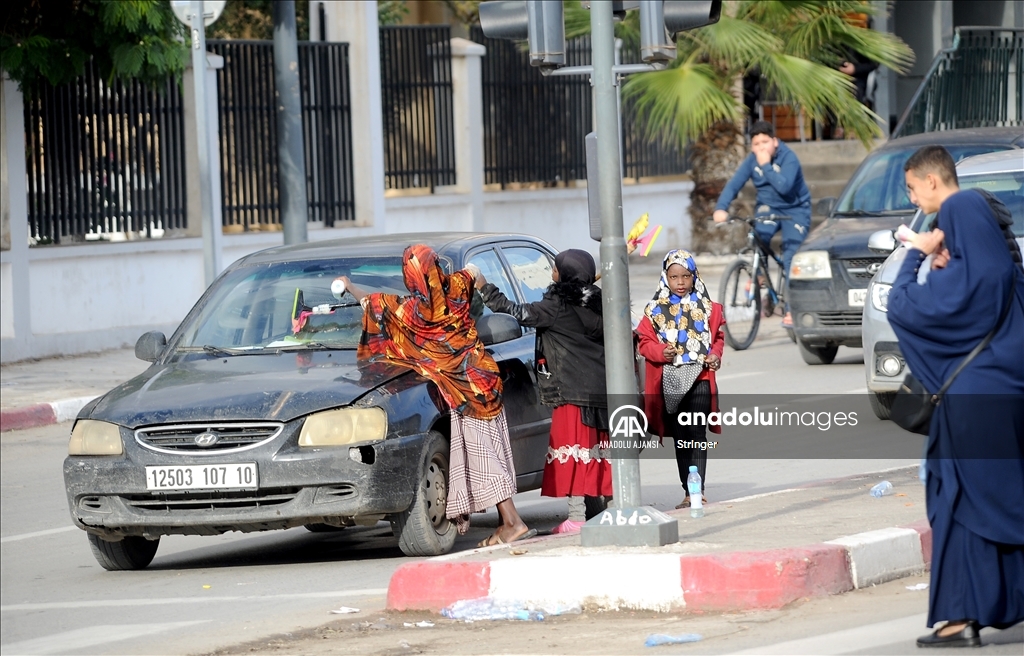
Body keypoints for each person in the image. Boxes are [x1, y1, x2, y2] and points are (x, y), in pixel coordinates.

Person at [887, 146, 1024, 647]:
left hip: (970, 405)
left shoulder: (959, 211)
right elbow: (981, 281)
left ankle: (959, 617)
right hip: (1003, 398)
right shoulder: (1007, 282)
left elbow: (903, 308)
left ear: (929, 181)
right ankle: (963, 616)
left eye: (911, 187)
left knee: (961, 505)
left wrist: (915, 255)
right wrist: (946, 262)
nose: (913, 198)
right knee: (978, 503)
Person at [339, 245, 537, 547]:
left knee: (484, 458)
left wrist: (349, 285)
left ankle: (513, 522)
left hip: (463, 393)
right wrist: (471, 274)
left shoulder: (408, 311)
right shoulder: (456, 286)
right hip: (485, 381)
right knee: (496, 452)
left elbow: (370, 302)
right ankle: (503, 523)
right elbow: (474, 272)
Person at [473, 249, 613, 534]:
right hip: (601, 390)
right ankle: (615, 511)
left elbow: (518, 312)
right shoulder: (599, 302)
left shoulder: (557, 304)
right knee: (599, 453)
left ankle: (576, 518)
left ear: (563, 274)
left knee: (573, 454)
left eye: (555, 268)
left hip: (571, 392)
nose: (552, 272)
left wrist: (484, 286)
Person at [635, 250, 726, 509]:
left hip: (700, 379)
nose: (681, 282)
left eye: (686, 275)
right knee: (681, 435)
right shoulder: (654, 310)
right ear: (666, 277)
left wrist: (715, 356)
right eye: (674, 276)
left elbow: (718, 338)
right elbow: (644, 343)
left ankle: (696, 492)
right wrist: (661, 352)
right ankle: (688, 488)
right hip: (670, 381)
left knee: (696, 432)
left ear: (694, 275)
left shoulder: (709, 307)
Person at [712, 121, 811, 328]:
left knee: (792, 257)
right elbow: (734, 184)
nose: (761, 148)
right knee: (758, 237)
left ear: (775, 141)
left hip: (795, 210)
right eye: (756, 144)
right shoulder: (751, 161)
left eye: (765, 142)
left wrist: (766, 165)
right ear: (751, 147)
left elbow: (784, 187)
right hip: (768, 207)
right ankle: (759, 276)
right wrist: (721, 208)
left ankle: (792, 308)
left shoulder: (788, 158)